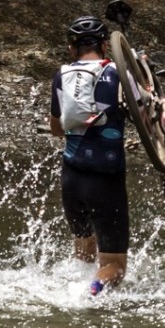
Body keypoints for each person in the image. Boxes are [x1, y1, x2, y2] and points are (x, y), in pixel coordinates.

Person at [49, 16, 128, 295]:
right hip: (105, 179)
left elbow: (56, 128)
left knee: (84, 254)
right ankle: (90, 292)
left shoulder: (62, 75)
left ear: (72, 49)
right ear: (105, 45)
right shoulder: (117, 72)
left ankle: (74, 286)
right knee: (115, 267)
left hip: (71, 178)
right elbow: (146, 110)